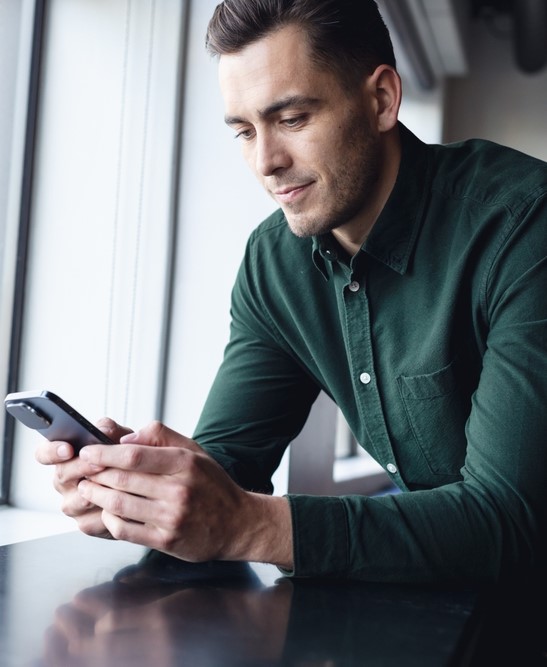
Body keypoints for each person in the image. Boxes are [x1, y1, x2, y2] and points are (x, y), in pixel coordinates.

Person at [36, 0, 547, 584]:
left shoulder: (524, 227)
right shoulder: (274, 261)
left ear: (381, 99)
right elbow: (232, 469)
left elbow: (511, 519)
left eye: (292, 119)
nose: (266, 162)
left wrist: (249, 526)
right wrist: (141, 487)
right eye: (244, 131)